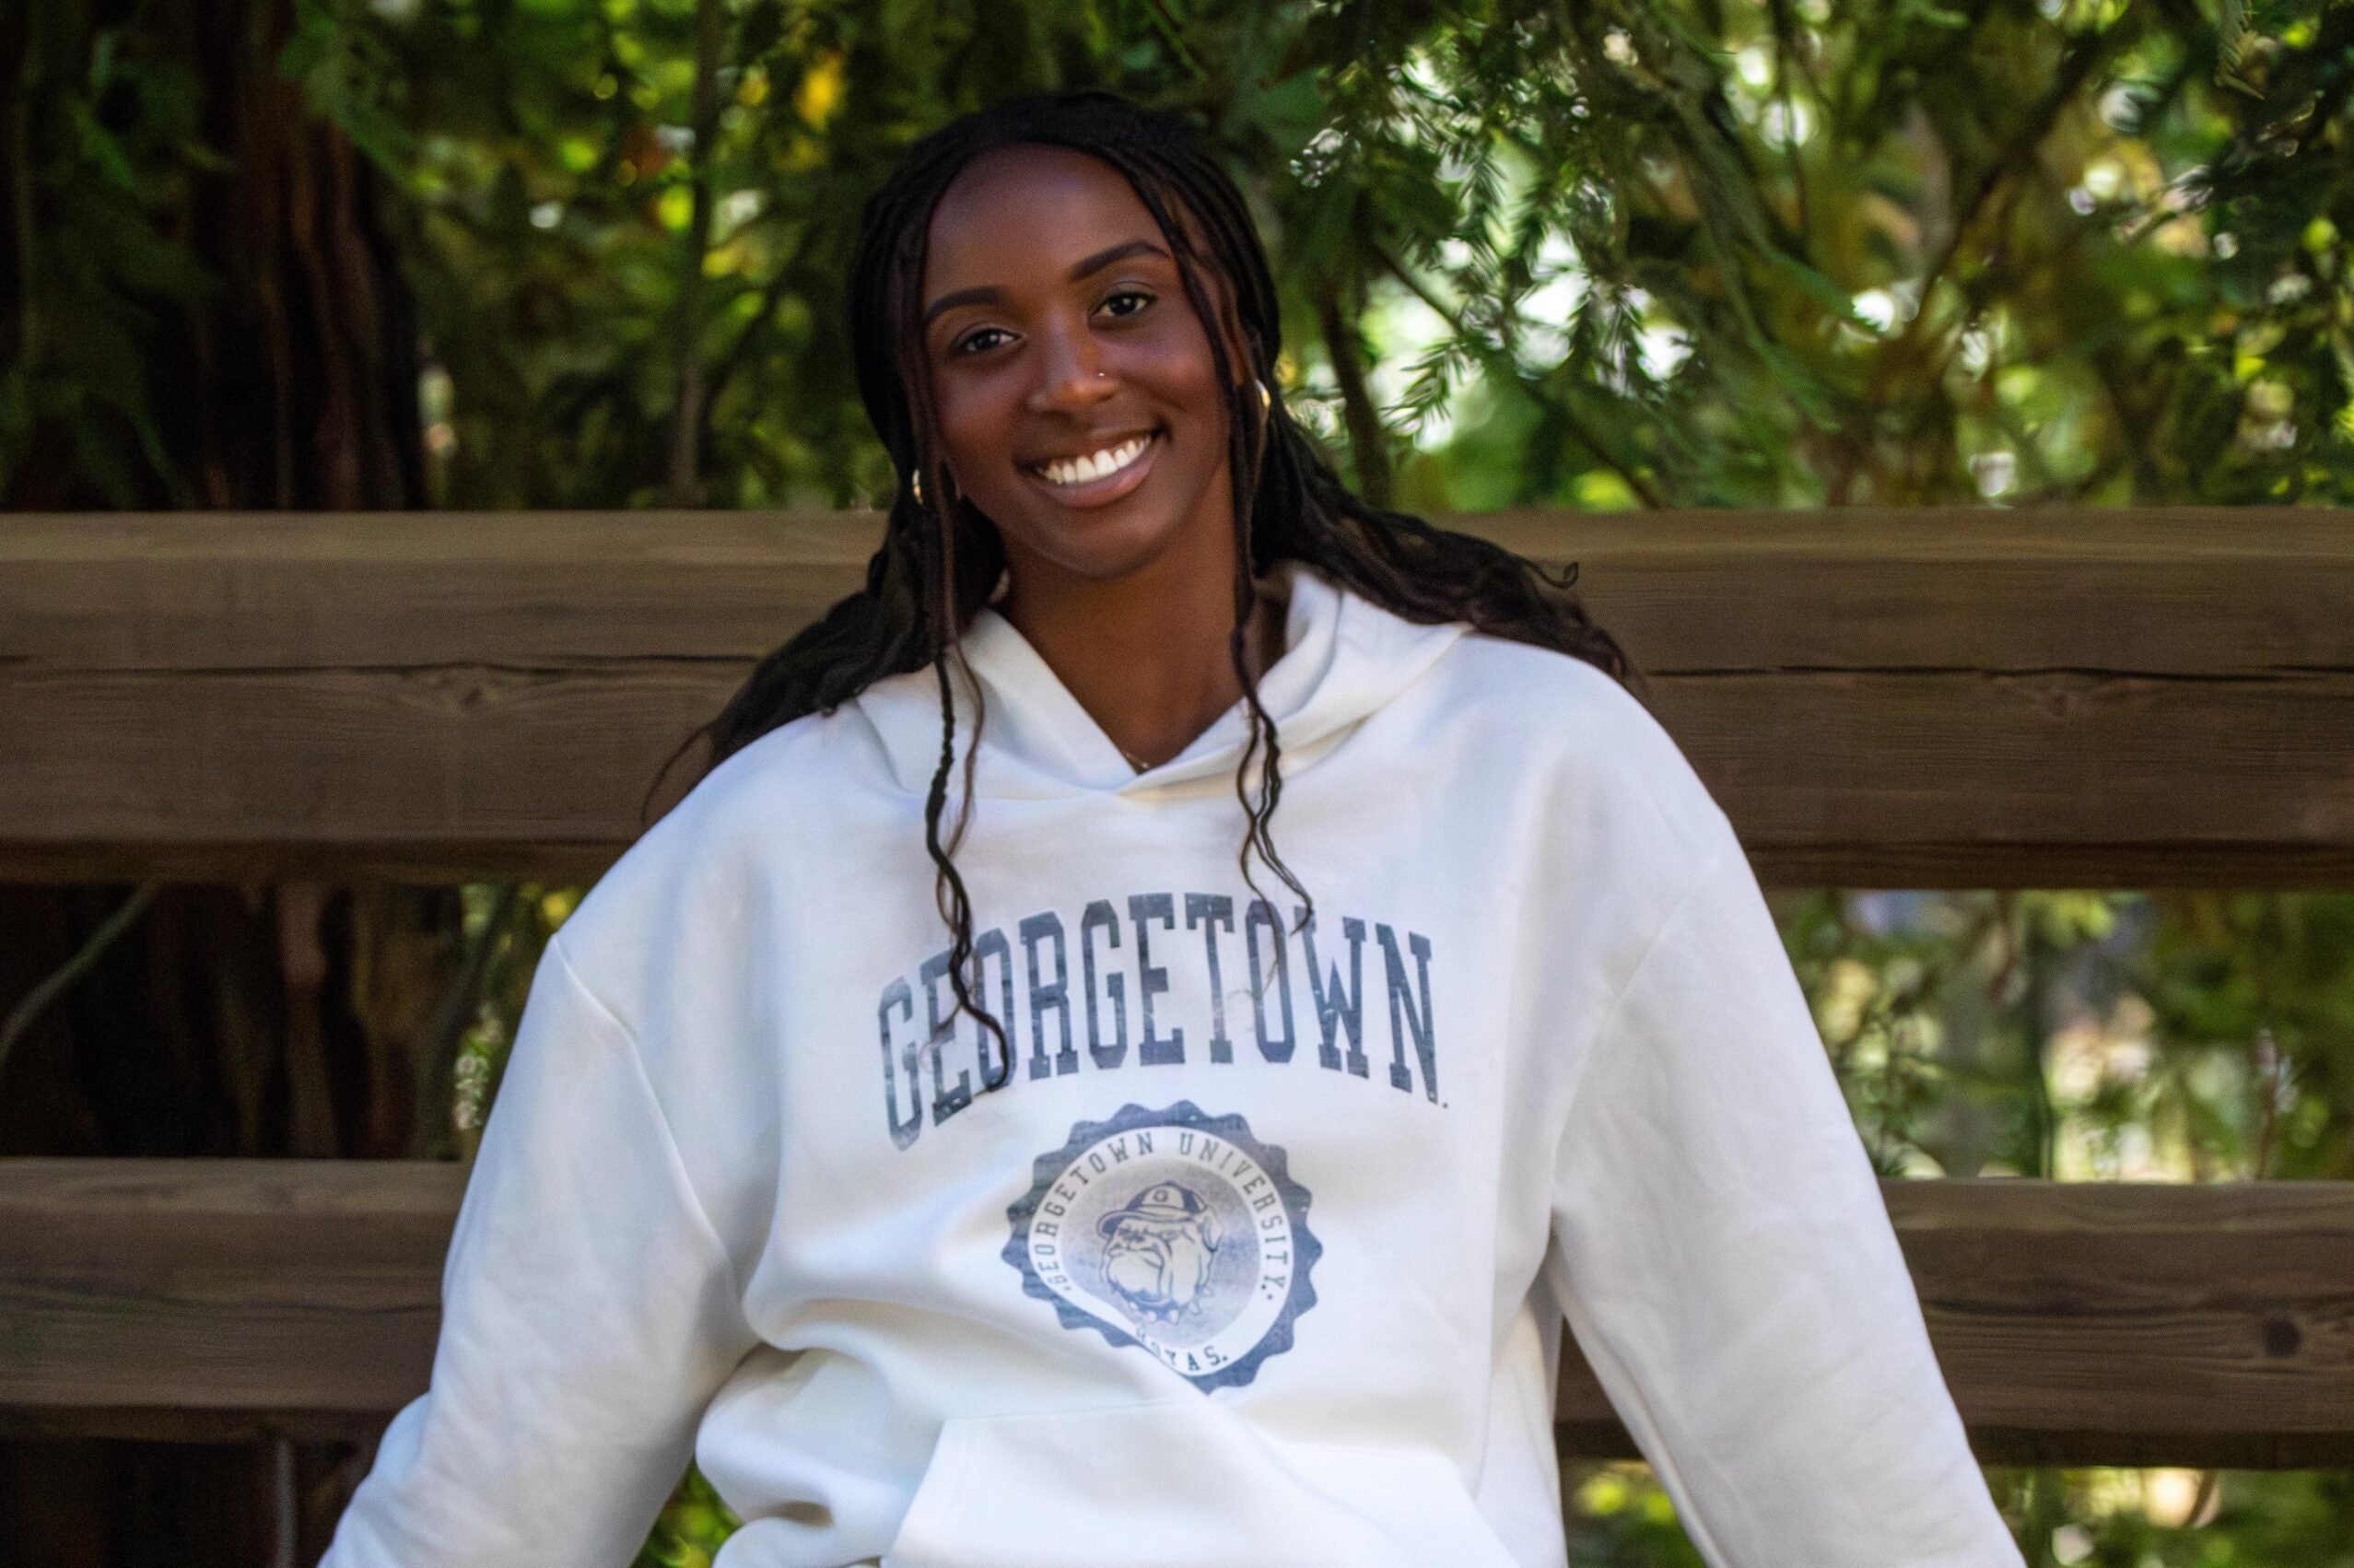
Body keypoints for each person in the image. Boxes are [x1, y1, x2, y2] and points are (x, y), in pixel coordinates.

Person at [320, 89, 2025, 1568]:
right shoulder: (765, 855)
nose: (1068, 380)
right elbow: (501, 1472)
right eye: (982, 341)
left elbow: (1797, 1361)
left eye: (1125, 303)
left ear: (1235, 340)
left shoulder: (1538, 777)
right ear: (924, 428)